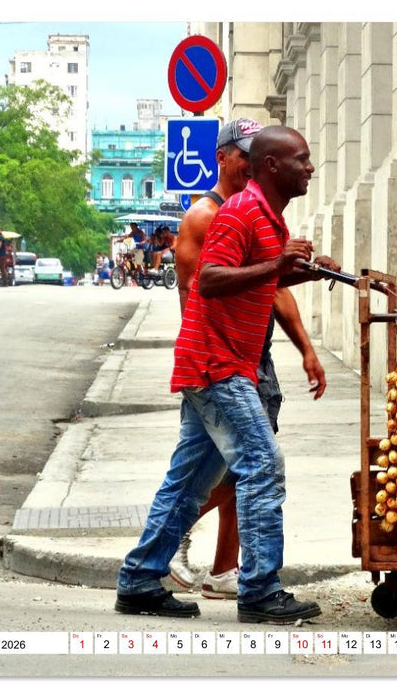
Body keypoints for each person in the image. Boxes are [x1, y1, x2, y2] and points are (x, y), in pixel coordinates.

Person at [115, 124, 334, 623]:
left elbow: (265, 277)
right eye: (302, 159)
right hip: (216, 364)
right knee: (261, 464)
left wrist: (308, 269)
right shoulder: (237, 212)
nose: (311, 168)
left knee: (190, 481)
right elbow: (210, 280)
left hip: (218, 362)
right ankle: (259, 588)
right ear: (272, 166)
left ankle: (139, 578)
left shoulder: (265, 215)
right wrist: (277, 263)